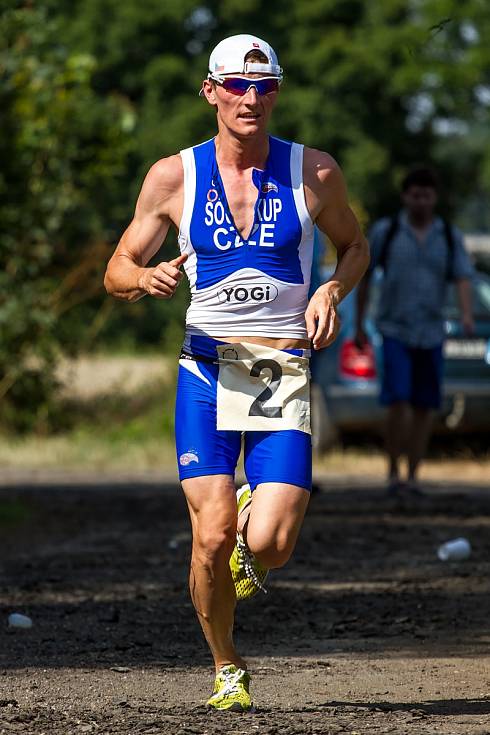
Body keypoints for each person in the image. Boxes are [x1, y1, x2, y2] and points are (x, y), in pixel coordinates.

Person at [104, 33, 369, 712]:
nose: (251, 98)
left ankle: (254, 514)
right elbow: (117, 268)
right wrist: (144, 278)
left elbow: (355, 246)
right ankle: (227, 664)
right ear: (211, 91)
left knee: (271, 545)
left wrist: (330, 291)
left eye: (265, 86)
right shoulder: (173, 177)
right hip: (206, 370)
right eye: (237, 85)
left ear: (277, 93)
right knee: (212, 535)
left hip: (278, 370)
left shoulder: (315, 171)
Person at [355, 167, 474, 495]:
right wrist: (359, 323)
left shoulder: (448, 235)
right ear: (405, 196)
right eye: (415, 194)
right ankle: (393, 471)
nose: (421, 201)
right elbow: (365, 275)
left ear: (435, 198)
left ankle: (414, 474)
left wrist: (466, 315)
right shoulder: (388, 231)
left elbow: (462, 276)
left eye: (427, 195)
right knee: (398, 401)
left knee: (425, 404)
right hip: (395, 328)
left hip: (432, 331)